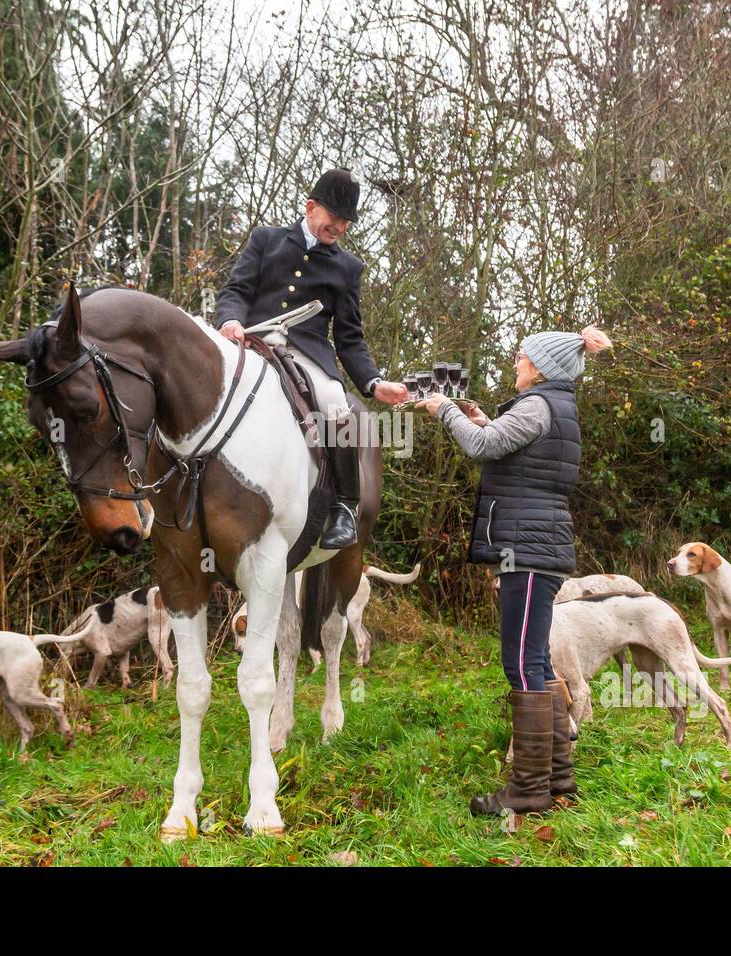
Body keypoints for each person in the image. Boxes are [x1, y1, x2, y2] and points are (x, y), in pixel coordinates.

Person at [417, 326, 611, 816]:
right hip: (536, 549)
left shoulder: (538, 405)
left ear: (542, 367)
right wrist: (480, 417)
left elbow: (482, 449)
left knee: (520, 663)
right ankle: (559, 778)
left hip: (527, 553)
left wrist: (443, 410)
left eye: (522, 356)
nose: (516, 363)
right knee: (538, 662)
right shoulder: (552, 405)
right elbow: (505, 442)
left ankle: (528, 790)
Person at [216, 168, 409, 549]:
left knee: (337, 405)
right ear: (309, 207)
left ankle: (344, 506)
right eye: (333, 217)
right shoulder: (266, 240)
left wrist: (373, 382)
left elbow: (350, 338)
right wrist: (232, 320)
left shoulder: (348, 268)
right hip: (250, 342)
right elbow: (236, 289)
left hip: (306, 353)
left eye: (345, 221)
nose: (338, 226)